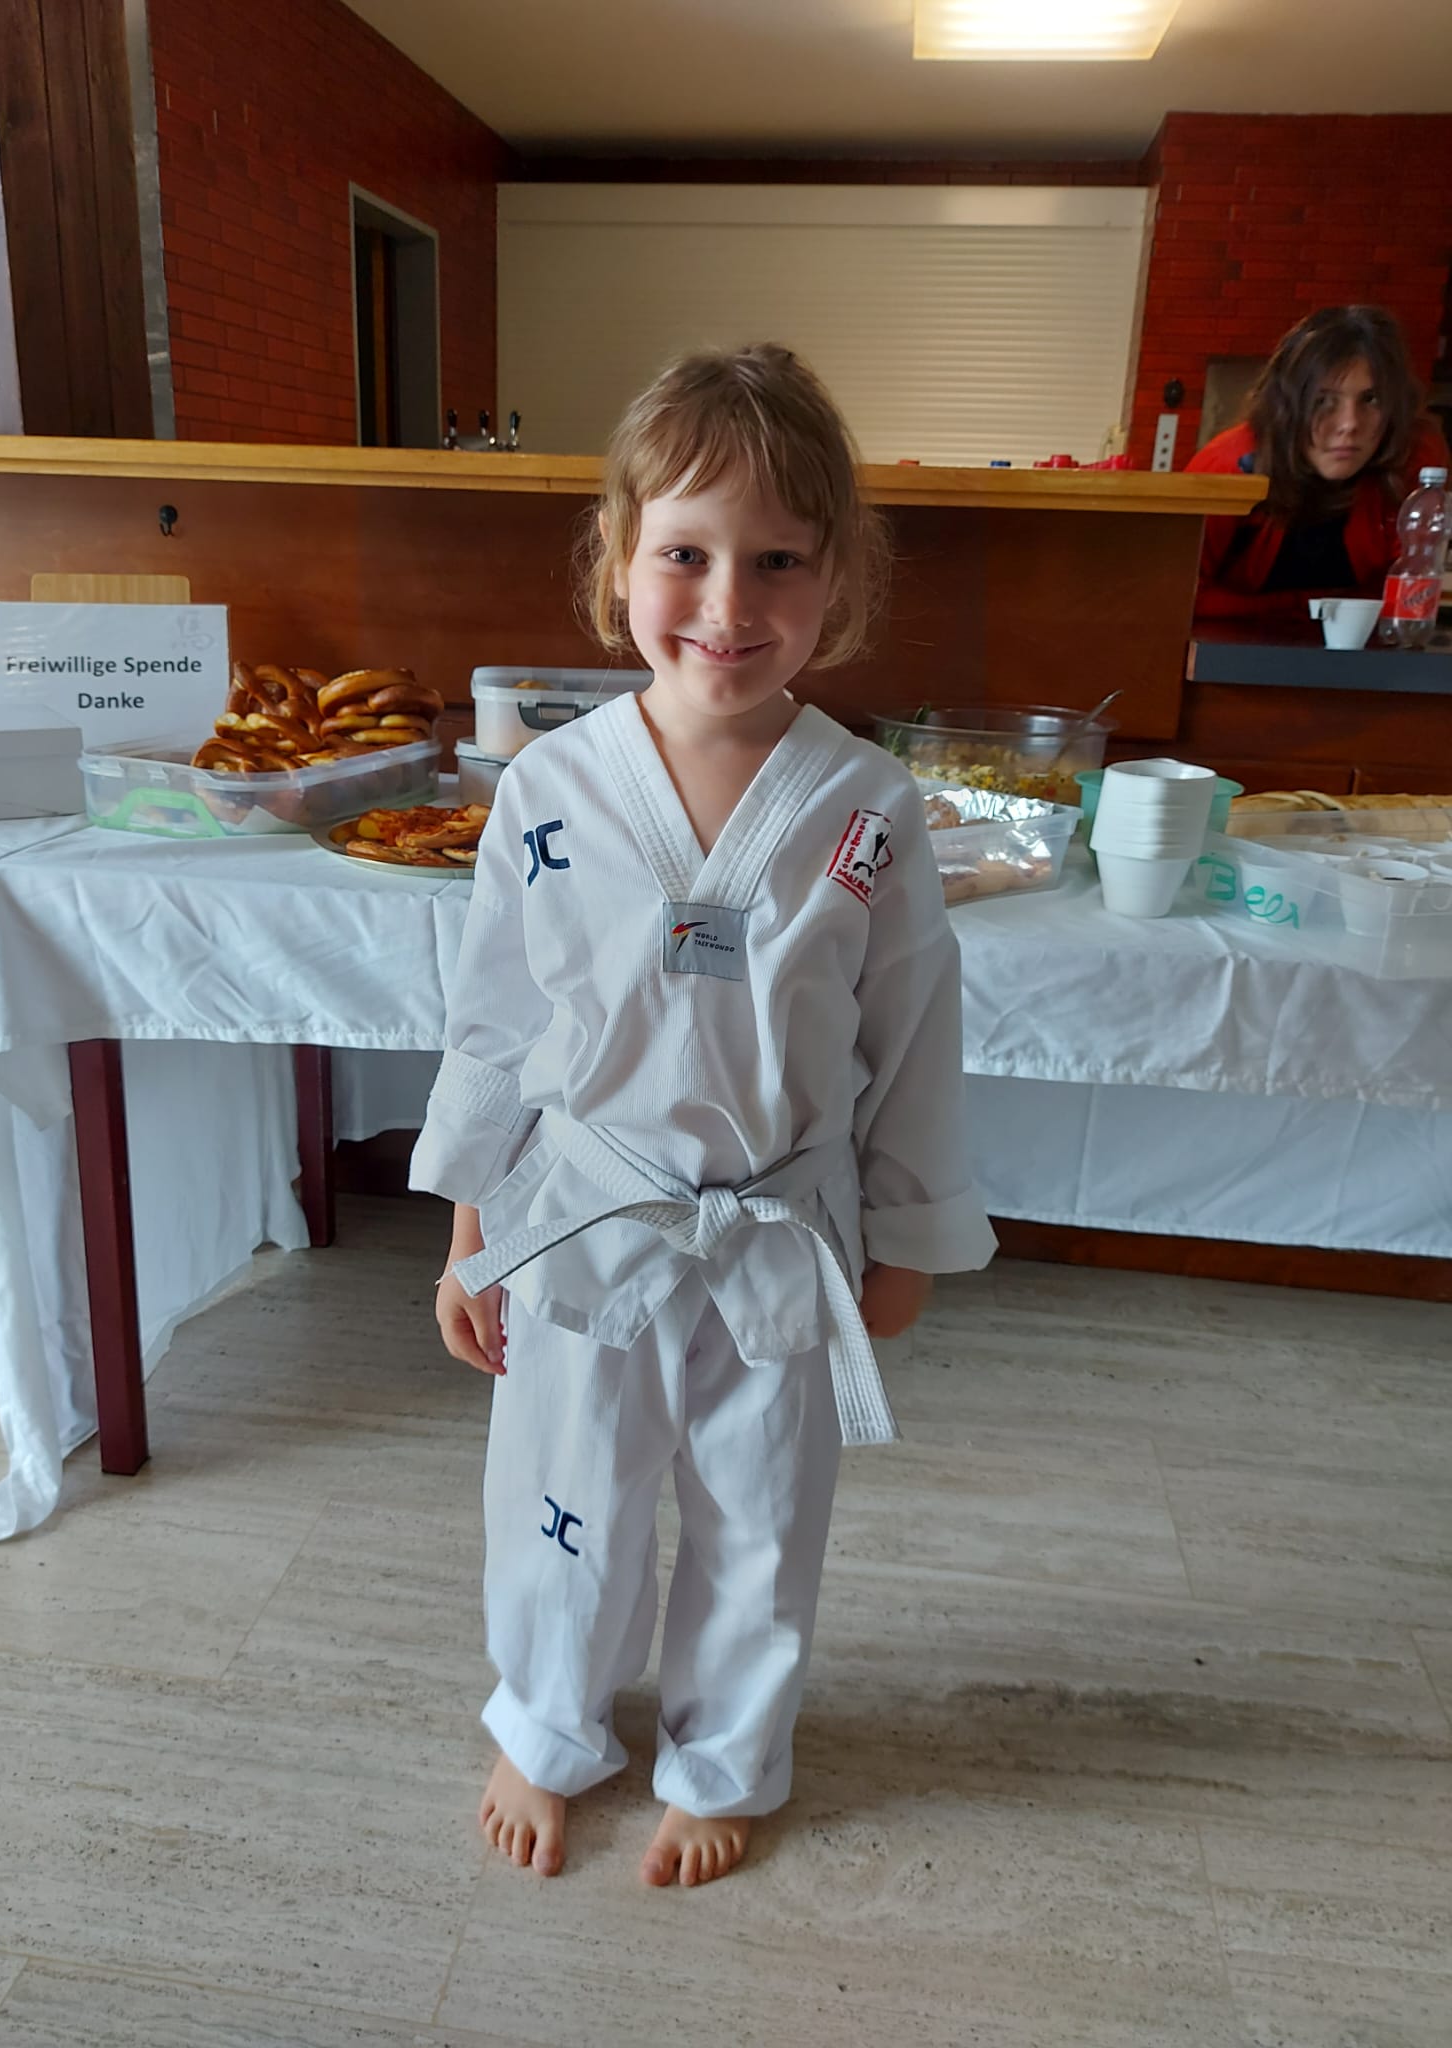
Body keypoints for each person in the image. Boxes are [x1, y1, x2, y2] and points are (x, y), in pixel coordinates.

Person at [412, 344, 995, 1888]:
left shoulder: (868, 809)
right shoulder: (548, 790)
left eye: (777, 561)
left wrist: (909, 1238)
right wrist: (471, 1226)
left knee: (761, 1517)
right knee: (565, 1499)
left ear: (838, 581)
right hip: (580, 1220)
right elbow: (498, 1024)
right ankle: (547, 1724)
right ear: (618, 560)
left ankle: (728, 1756)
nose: (728, 603)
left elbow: (912, 1037)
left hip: (780, 1230)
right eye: (685, 553)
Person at [1185, 304, 1449, 623]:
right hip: (1222, 643)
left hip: (1360, 648)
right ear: (1287, 407)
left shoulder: (1413, 458)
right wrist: (1309, 606)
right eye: (1323, 401)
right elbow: (1175, 594)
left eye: (1370, 399)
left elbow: (1408, 595)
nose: (1349, 424)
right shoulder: (1227, 466)